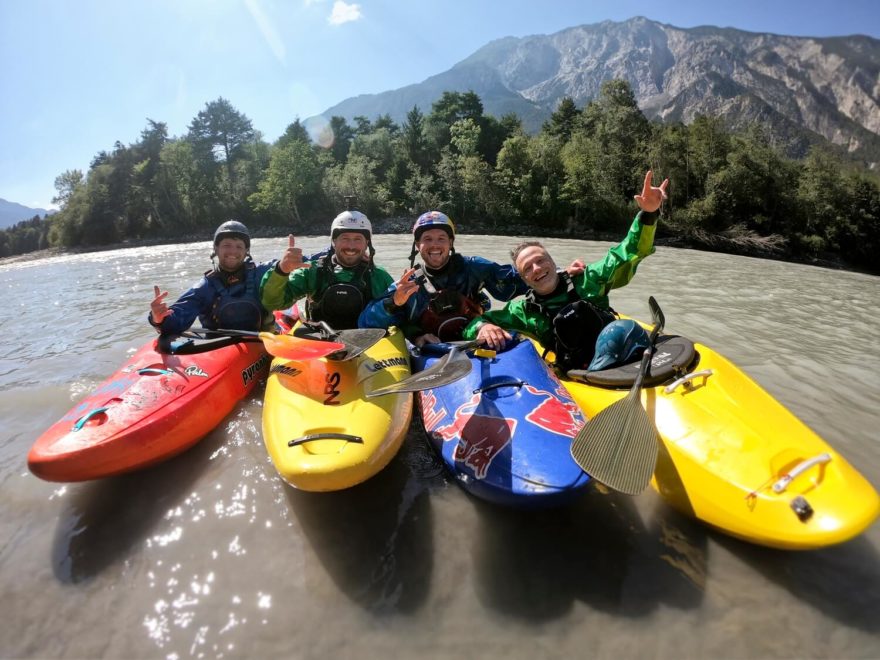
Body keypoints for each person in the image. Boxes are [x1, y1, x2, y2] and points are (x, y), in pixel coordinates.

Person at [461, 170, 669, 373]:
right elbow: (475, 324)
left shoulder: (588, 279)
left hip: (618, 349)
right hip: (577, 371)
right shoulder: (522, 310)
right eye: (528, 268)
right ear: (524, 279)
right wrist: (482, 328)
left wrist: (649, 214)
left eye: (540, 260)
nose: (537, 269)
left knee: (618, 328)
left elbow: (629, 251)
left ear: (552, 262)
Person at [358, 211, 531, 345]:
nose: (435, 245)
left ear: (450, 242)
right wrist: (394, 303)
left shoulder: (474, 268)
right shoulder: (409, 283)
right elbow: (365, 323)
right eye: (427, 239)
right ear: (418, 245)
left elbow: (519, 280)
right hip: (432, 353)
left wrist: (550, 274)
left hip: (477, 343)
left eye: (441, 238)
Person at [260, 210, 394, 330]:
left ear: (367, 243)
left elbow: (398, 315)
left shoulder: (379, 276)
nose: (351, 246)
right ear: (334, 241)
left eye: (358, 239)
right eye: (345, 238)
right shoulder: (312, 271)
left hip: (369, 343)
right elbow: (272, 303)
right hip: (322, 342)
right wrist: (281, 271)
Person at [149, 220, 275, 334]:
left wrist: (288, 262)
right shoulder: (205, 287)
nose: (233, 251)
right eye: (227, 245)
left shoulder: (262, 273)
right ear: (216, 248)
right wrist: (158, 319)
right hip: (221, 349)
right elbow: (176, 319)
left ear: (246, 250)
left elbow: (282, 266)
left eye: (239, 246)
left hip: (263, 345)